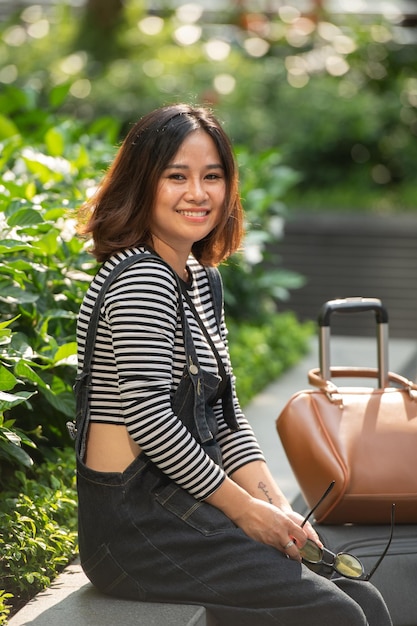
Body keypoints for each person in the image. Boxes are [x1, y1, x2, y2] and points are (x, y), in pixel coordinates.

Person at [74, 103, 392, 626]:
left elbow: (225, 414)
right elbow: (150, 419)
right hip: (136, 530)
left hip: (187, 505)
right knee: (336, 613)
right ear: (142, 182)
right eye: (176, 175)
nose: (197, 193)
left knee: (365, 601)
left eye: (212, 177)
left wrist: (278, 509)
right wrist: (248, 512)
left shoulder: (200, 278)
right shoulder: (140, 280)